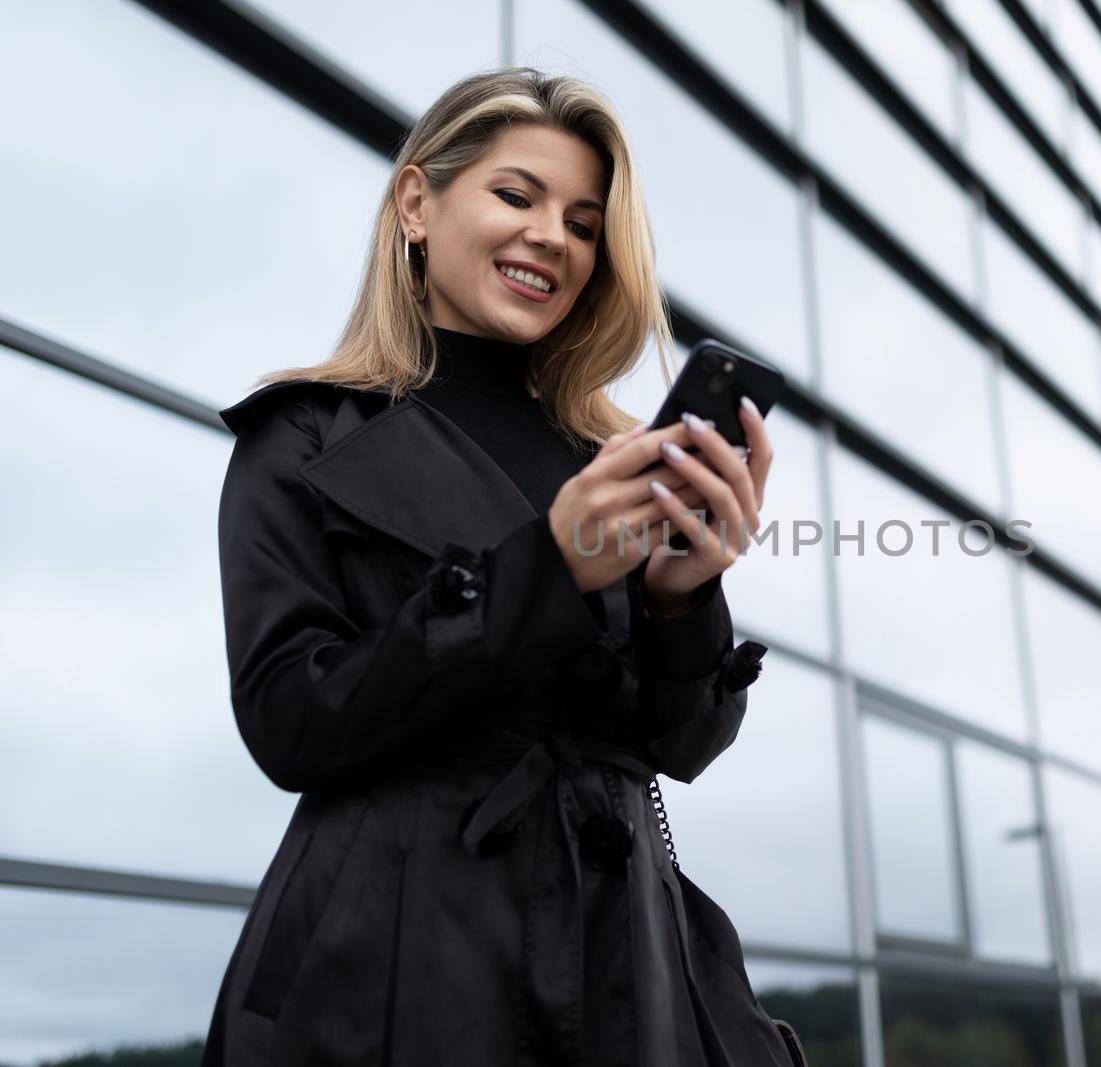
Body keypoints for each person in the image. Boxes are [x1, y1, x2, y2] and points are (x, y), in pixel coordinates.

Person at [200, 67, 807, 1067]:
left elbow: (677, 742)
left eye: (581, 221)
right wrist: (546, 571)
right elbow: (288, 722)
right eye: (515, 196)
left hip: (624, 954)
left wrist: (679, 597)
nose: (550, 240)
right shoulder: (304, 434)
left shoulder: (609, 454)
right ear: (416, 203)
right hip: (399, 952)